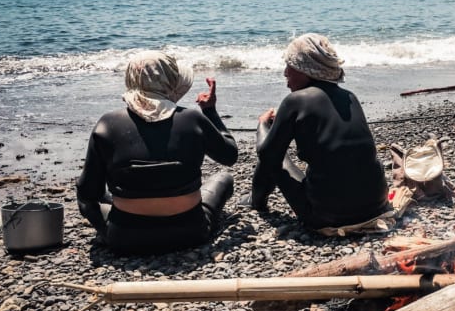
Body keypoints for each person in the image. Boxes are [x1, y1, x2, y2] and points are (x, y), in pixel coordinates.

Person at [76, 50, 238, 254]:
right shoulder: (192, 119)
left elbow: (88, 193)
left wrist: (107, 226)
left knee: (90, 192)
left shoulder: (107, 124)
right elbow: (230, 156)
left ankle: (110, 230)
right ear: (170, 80)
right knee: (224, 178)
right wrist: (210, 111)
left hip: (124, 237)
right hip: (191, 232)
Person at [245, 33, 389, 230]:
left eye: (290, 66)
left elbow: (267, 154)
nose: (285, 73)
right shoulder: (349, 97)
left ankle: (257, 202)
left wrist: (263, 124)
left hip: (328, 216)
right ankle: (256, 200)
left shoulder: (295, 101)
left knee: (273, 155)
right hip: (377, 205)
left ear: (305, 70)